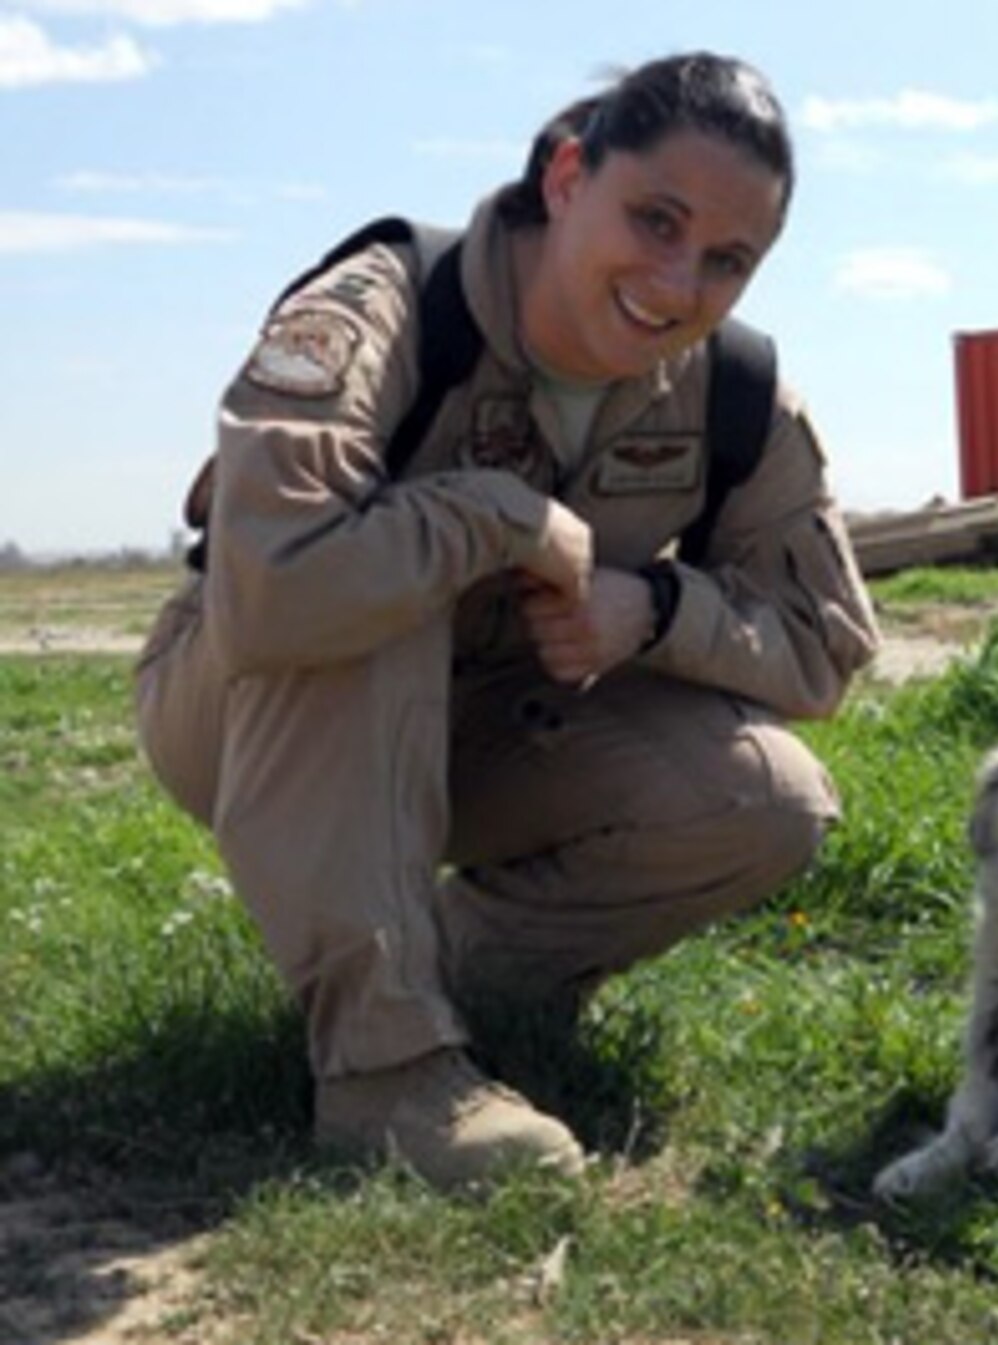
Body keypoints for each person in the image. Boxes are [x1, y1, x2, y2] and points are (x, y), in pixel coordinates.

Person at [133, 52, 880, 1188]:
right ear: (570, 173)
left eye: (727, 259)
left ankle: (455, 980)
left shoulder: (733, 390)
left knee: (766, 799)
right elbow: (272, 587)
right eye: (655, 219)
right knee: (369, 588)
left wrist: (659, 607)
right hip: (251, 712)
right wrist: (495, 519)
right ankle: (385, 1077)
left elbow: (826, 644)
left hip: (489, 733)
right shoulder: (385, 302)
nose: (678, 284)